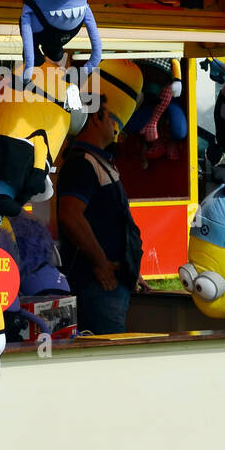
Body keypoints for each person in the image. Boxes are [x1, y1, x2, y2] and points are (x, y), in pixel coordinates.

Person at [56, 95, 148, 334]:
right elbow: (70, 216)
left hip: (112, 281)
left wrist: (131, 269)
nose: (114, 125)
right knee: (108, 351)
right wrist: (100, 263)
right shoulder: (82, 163)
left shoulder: (97, 161)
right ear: (95, 119)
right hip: (97, 285)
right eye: (109, 116)